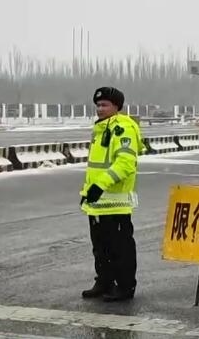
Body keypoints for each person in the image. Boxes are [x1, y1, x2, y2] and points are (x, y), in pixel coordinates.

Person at [80, 87, 144, 302]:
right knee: (100, 247)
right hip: (97, 203)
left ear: (117, 106)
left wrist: (100, 185)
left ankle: (125, 286)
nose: (100, 109)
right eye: (98, 105)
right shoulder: (100, 129)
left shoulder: (122, 128)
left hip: (116, 202)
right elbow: (96, 167)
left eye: (105, 105)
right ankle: (104, 281)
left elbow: (125, 163)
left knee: (120, 248)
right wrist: (88, 192)